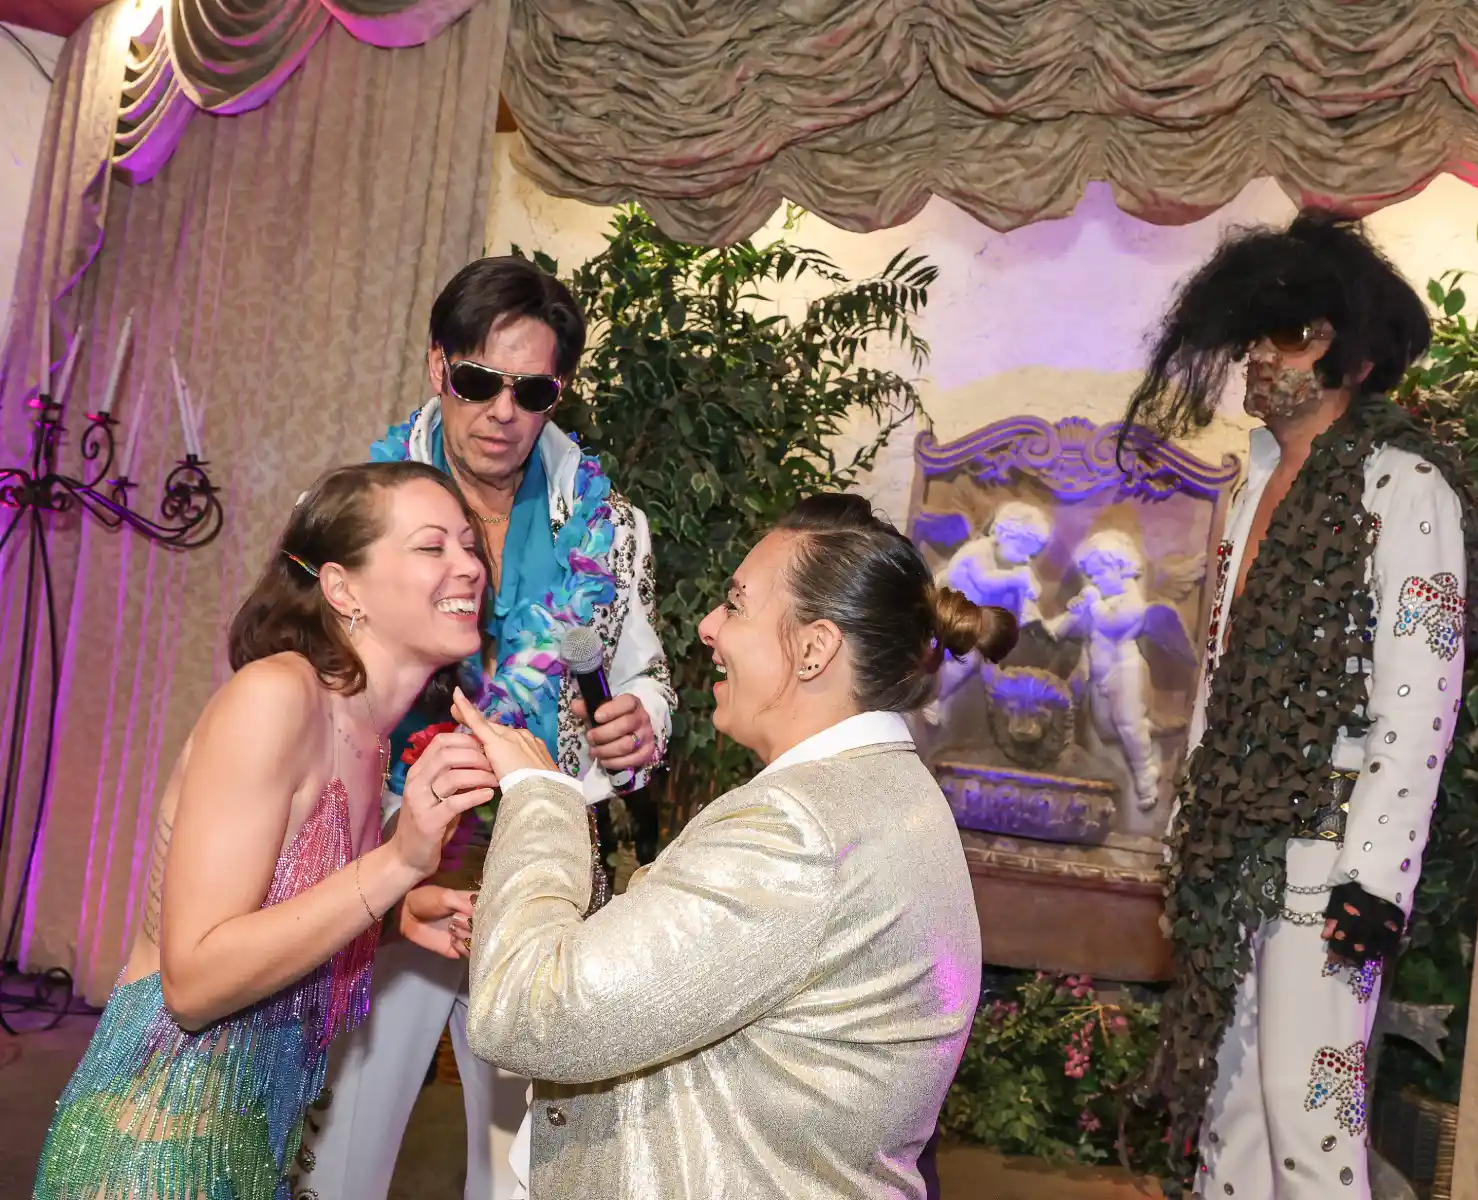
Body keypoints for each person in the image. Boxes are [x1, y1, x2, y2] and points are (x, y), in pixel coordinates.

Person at [454, 492, 1016, 1199]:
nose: (708, 626)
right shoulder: (882, 790)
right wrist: (552, 924)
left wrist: (541, 794)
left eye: (737, 605)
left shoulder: (797, 833)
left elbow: (529, 1012)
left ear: (814, 649)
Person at [1120, 211, 1478, 1199]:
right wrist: (1194, 826)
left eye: (1291, 336)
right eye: (1256, 333)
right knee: (1229, 1111)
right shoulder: (1252, 483)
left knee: (1308, 1121)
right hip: (1233, 849)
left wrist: (1374, 881)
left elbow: (1420, 695)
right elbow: (1222, 679)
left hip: (1333, 861)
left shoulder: (1404, 486)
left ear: (1353, 359)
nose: (1260, 356)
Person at [303, 255, 675, 1200]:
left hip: (542, 861)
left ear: (559, 392)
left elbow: (646, 671)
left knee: (522, 1164)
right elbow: (308, 678)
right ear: (439, 366)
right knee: (339, 1145)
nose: (503, 411)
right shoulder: (363, 511)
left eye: (532, 390)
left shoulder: (609, 525)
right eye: (478, 381)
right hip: (389, 845)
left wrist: (644, 721)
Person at [34, 461, 497, 1200]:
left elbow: (285, 920)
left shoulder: (370, 738)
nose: (469, 565)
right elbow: (194, 983)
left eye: (469, 545)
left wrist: (396, 918)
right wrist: (399, 864)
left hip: (250, 1156)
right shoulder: (275, 696)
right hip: (151, 1154)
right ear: (343, 589)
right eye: (431, 545)